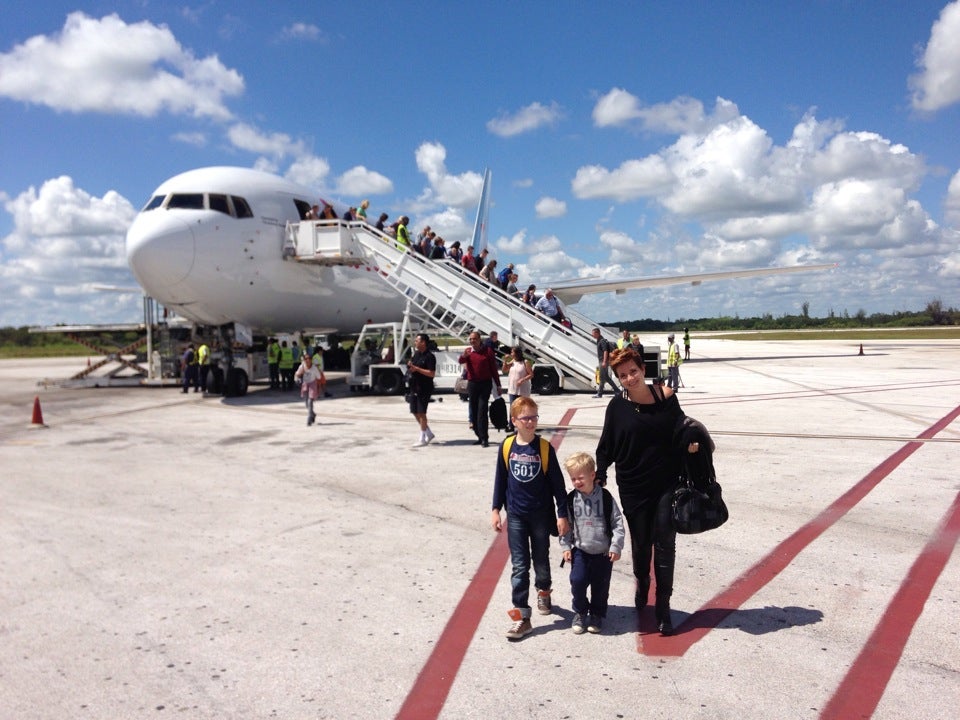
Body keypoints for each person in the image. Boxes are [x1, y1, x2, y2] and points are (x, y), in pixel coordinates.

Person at [595, 346, 702, 635]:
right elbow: (607, 445)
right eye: (623, 375)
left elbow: (682, 429)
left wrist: (691, 442)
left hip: (667, 483)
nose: (630, 378)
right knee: (642, 545)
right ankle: (642, 583)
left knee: (665, 544)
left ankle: (663, 608)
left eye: (633, 371)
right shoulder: (617, 406)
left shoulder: (666, 397)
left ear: (643, 369)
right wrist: (600, 472)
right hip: (632, 486)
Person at [490, 396, 570, 640]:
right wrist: (495, 509)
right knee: (519, 566)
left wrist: (562, 514)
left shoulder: (544, 449)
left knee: (541, 559)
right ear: (514, 421)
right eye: (525, 418)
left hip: (540, 516)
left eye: (534, 417)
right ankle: (522, 617)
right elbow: (500, 480)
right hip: (515, 515)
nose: (531, 422)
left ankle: (543, 590)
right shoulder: (507, 446)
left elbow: (558, 485)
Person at [559, 452, 625, 634]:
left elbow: (617, 523)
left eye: (580, 478)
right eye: (573, 479)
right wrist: (566, 546)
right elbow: (567, 526)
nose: (577, 482)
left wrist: (615, 546)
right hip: (580, 551)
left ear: (592, 475)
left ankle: (596, 613)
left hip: (603, 553)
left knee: (600, 586)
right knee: (577, 581)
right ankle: (580, 611)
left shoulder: (605, 498)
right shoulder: (572, 499)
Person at [458, 330, 503, 448]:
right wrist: (464, 356)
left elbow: (493, 369)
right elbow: (460, 361)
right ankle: (478, 435)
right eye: (471, 339)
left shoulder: (487, 351)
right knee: (474, 410)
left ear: (479, 340)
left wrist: (498, 385)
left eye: (475, 339)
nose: (473, 341)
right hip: (473, 384)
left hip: (485, 384)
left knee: (482, 410)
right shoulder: (468, 351)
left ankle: (485, 438)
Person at [407, 333, 437, 447]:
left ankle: (422, 438)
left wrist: (418, 369)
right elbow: (414, 368)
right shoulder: (416, 354)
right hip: (414, 386)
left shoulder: (429, 356)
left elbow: (431, 373)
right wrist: (411, 367)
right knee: (414, 411)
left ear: (423, 342)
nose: (415, 343)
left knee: (422, 412)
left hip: (424, 388)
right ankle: (428, 433)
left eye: (417, 341)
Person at [502, 346, 533, 431]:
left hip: (522, 390)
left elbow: (531, 374)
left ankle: (524, 424)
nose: (511, 354)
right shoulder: (513, 361)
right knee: (513, 407)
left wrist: (522, 380)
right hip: (513, 389)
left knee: (523, 408)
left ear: (517, 353)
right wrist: (505, 361)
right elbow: (504, 370)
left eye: (512, 352)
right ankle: (511, 425)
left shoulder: (525, 362)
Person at [294, 352, 323, 426]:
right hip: (305, 384)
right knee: (306, 404)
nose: (308, 360)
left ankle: (309, 419)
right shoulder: (302, 366)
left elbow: (319, 377)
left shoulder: (314, 368)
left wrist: (318, 372)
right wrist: (298, 376)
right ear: (304, 360)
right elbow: (297, 374)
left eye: (309, 358)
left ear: (311, 360)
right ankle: (313, 414)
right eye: (306, 359)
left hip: (312, 384)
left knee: (310, 401)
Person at [591, 327, 619, 398]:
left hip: (603, 361)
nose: (592, 335)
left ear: (597, 333)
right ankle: (617, 390)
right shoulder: (599, 340)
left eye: (593, 334)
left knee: (601, 377)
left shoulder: (602, 341)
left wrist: (604, 361)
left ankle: (599, 393)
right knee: (606, 377)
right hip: (602, 361)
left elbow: (605, 351)